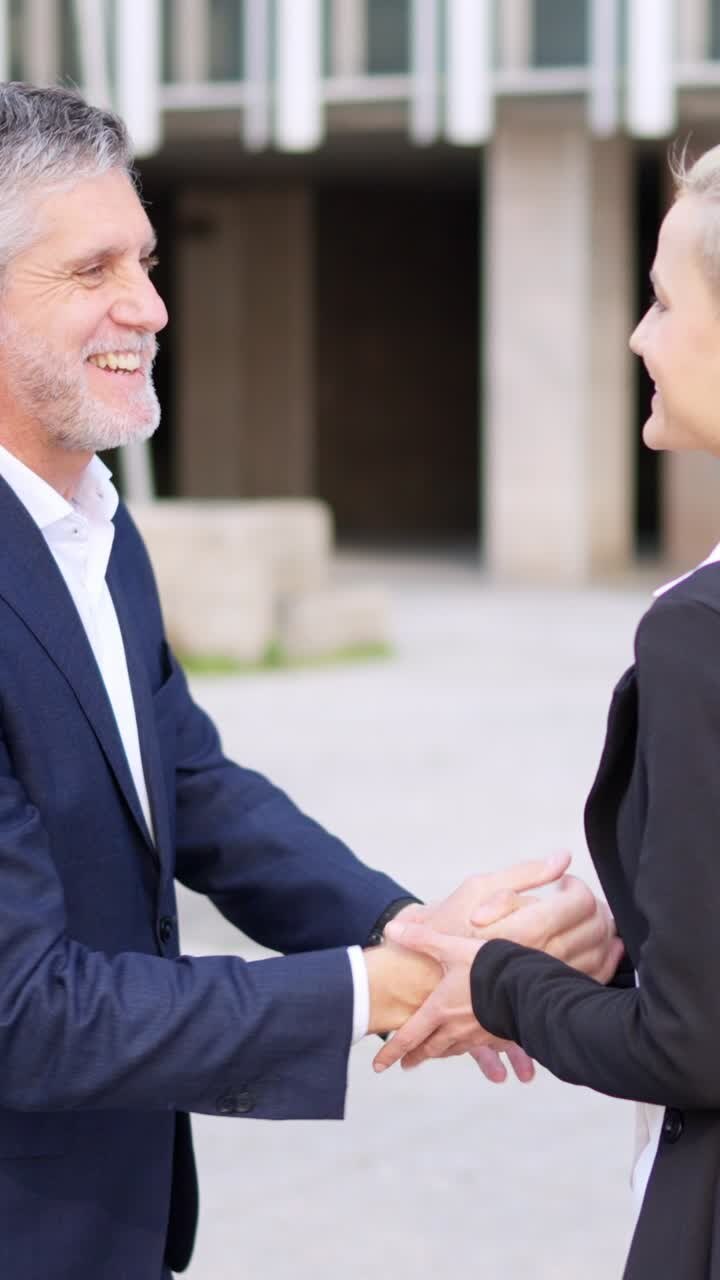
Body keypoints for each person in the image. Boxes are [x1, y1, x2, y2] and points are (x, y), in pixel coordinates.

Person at [0, 83, 620, 1280]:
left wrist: (401, 925)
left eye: (147, 257)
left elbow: (191, 778)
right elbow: (27, 1010)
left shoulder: (93, 523)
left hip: (109, 1217)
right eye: (92, 271)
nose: (152, 305)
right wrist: (373, 988)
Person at [374, 142, 720, 1279]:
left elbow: (691, 1041)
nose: (639, 335)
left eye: (667, 300)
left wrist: (501, 981)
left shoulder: (701, 631)